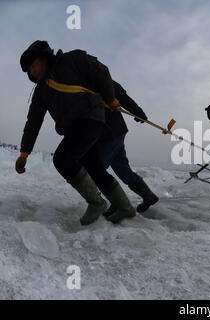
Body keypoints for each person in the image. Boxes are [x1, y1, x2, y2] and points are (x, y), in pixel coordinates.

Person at [16, 40, 135, 225]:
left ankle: (96, 203)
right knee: (93, 165)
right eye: (29, 70)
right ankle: (125, 207)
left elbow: (101, 72)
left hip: (91, 118)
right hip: (74, 129)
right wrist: (24, 152)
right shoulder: (41, 91)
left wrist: (111, 99)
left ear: (44, 58)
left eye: (34, 65)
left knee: (62, 159)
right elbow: (33, 122)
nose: (33, 71)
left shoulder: (72, 60)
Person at [100, 81, 159, 218]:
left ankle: (118, 203)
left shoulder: (93, 73)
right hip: (113, 131)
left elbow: (120, 94)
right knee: (122, 168)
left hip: (109, 132)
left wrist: (137, 112)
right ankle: (148, 196)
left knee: (96, 170)